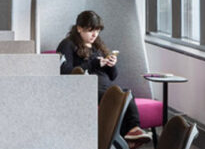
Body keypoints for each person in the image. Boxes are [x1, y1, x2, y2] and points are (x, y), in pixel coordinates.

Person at [56, 10, 147, 141]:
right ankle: (129, 134)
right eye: (91, 30)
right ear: (79, 28)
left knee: (127, 93)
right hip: (85, 88)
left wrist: (111, 65)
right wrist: (93, 64)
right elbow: (64, 72)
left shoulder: (98, 45)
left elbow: (112, 76)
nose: (95, 35)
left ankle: (133, 131)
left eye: (97, 31)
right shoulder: (67, 44)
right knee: (119, 96)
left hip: (104, 87)